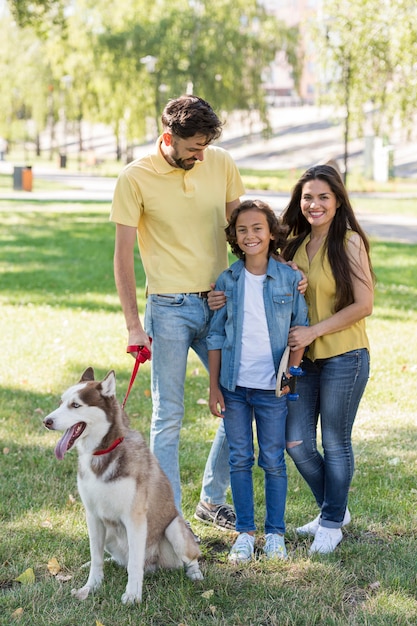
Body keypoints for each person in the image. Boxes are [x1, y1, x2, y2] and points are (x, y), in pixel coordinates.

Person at [110, 94, 245, 527]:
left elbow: (242, 233)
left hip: (219, 303)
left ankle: (211, 499)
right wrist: (134, 325)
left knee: (240, 400)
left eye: (205, 147)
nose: (200, 156)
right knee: (168, 416)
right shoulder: (135, 177)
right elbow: (123, 257)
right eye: (192, 150)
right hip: (168, 308)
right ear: (168, 137)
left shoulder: (220, 162)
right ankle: (171, 521)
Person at [207, 200, 308, 563]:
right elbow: (216, 336)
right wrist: (213, 385)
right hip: (234, 389)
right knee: (238, 459)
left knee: (272, 460)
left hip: (272, 389)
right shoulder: (227, 280)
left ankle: (275, 533)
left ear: (271, 233)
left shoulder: (289, 279)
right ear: (234, 236)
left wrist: (289, 377)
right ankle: (245, 533)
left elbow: (299, 331)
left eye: (258, 229)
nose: (250, 235)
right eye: (242, 230)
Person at [281, 164, 374, 554]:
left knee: (335, 442)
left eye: (322, 197)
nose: (314, 204)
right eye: (307, 197)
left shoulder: (348, 241)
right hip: (306, 360)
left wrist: (314, 331)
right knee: (297, 443)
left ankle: (332, 522)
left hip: (344, 356)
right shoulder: (296, 245)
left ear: (337, 201)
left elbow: (364, 304)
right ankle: (335, 508)